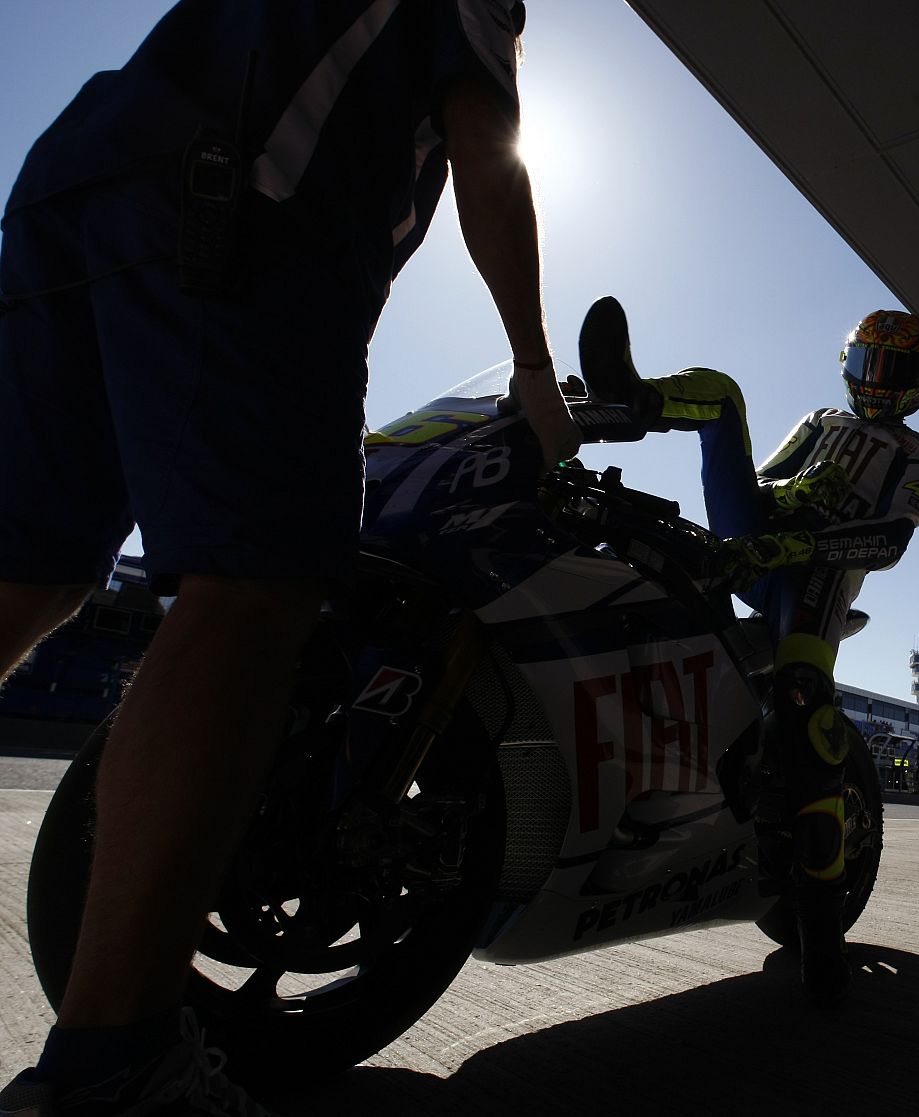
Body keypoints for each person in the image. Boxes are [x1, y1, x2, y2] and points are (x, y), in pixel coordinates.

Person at [0, 3, 581, 1114]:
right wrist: (533, 366)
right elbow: (487, 146)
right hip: (237, 201)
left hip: (75, 178)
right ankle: (113, 1067)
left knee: (29, 573)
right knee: (256, 586)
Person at [578, 296, 919, 1004]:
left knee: (805, 708)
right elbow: (767, 479)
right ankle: (618, 401)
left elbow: (889, 539)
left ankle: (822, 936)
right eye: (866, 361)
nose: (873, 378)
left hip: (817, 573)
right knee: (721, 396)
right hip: (754, 538)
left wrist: (795, 541)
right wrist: (768, 516)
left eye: (890, 368)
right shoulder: (820, 420)